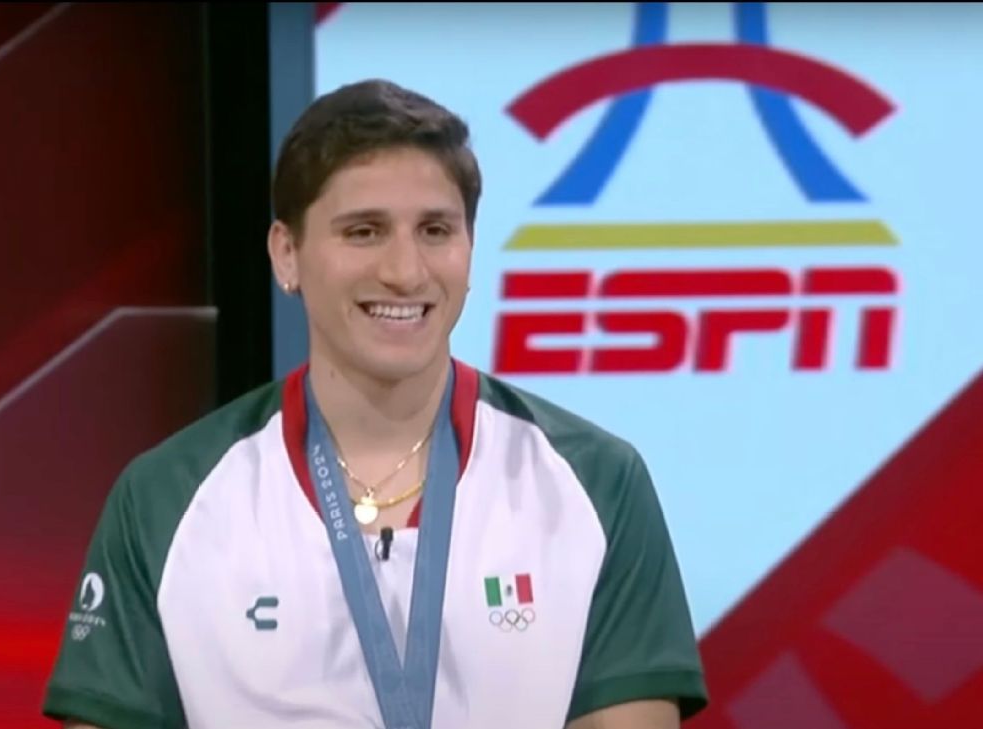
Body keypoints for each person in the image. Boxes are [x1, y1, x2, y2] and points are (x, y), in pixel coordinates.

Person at [41, 79, 709, 729]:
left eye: (435, 230)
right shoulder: (166, 497)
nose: (405, 271)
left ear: (470, 249)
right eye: (364, 231)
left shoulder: (596, 482)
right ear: (287, 254)